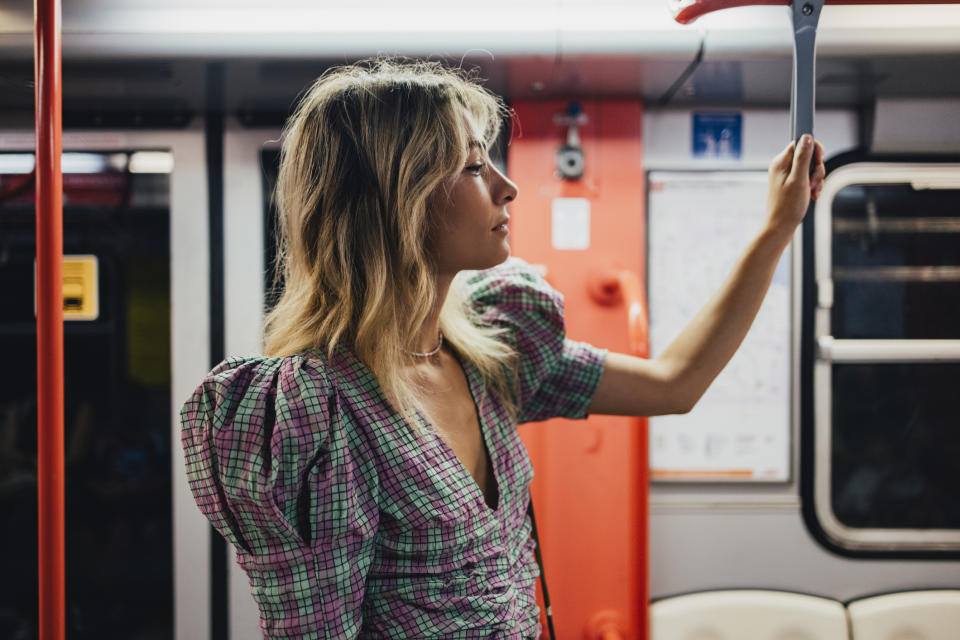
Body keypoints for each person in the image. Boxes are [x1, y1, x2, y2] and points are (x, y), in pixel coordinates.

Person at [180, 58, 826, 639]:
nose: (505, 187)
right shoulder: (314, 410)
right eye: (470, 166)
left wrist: (775, 228)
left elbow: (673, 385)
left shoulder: (486, 356)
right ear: (395, 199)